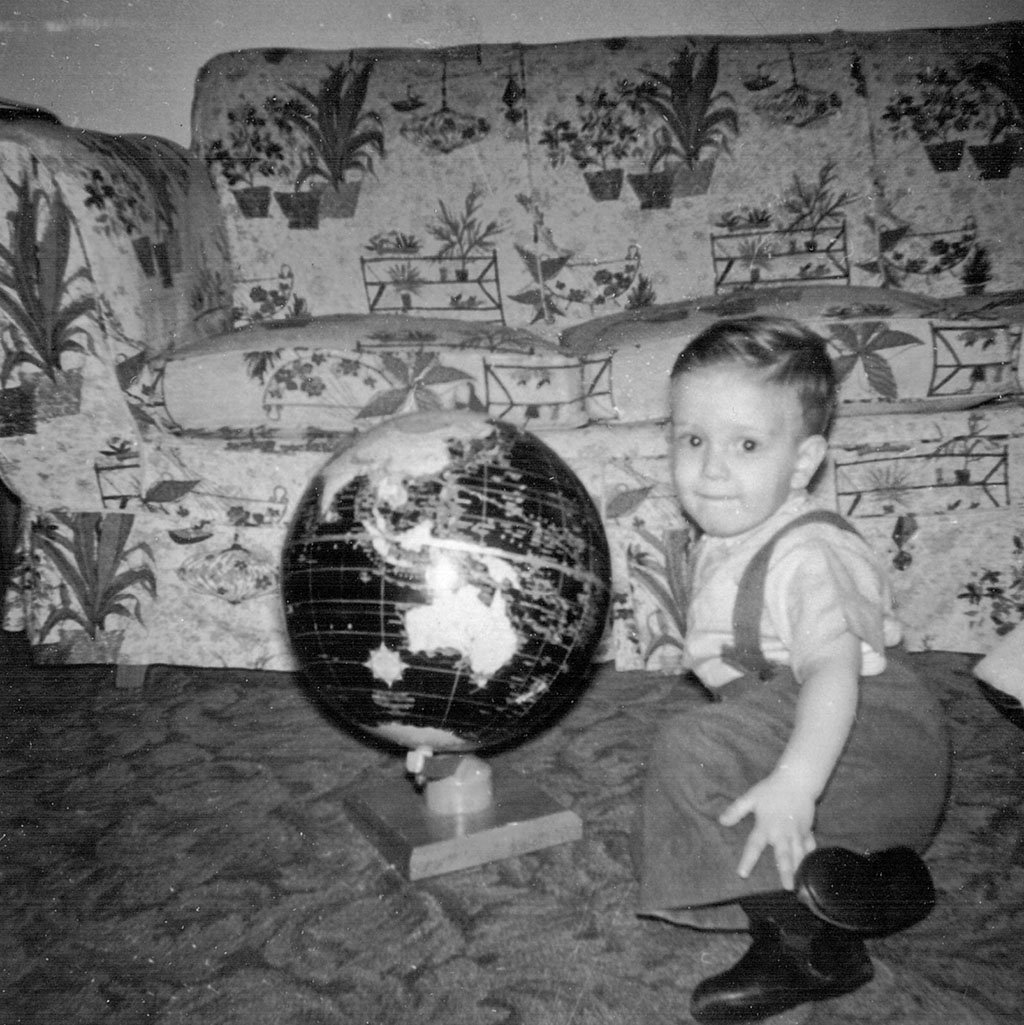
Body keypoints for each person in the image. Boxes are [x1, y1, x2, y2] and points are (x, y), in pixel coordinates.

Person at [637, 316, 950, 1023]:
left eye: (747, 444)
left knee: (692, 748)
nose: (712, 468)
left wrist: (794, 782)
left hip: (873, 740)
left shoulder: (807, 552)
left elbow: (834, 673)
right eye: (693, 440)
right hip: (838, 756)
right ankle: (857, 879)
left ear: (804, 462)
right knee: (707, 757)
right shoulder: (732, 534)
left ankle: (806, 944)